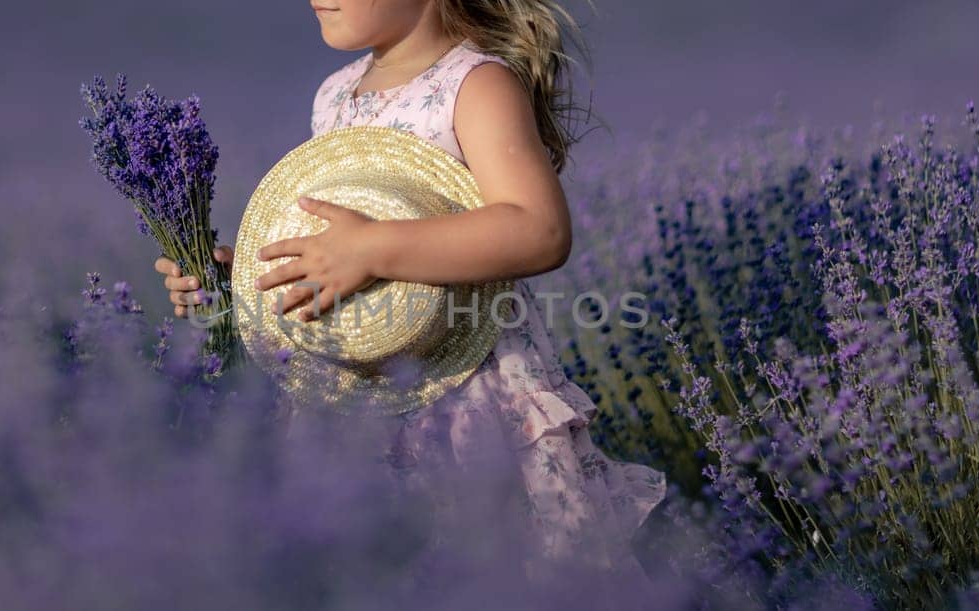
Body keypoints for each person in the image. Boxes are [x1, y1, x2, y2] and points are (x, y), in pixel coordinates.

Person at [154, 0, 665, 574]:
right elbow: (335, 251)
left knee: (495, 565)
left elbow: (539, 228)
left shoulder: (475, 86)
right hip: (356, 397)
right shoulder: (334, 97)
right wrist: (238, 281)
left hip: (466, 390)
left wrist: (374, 248)